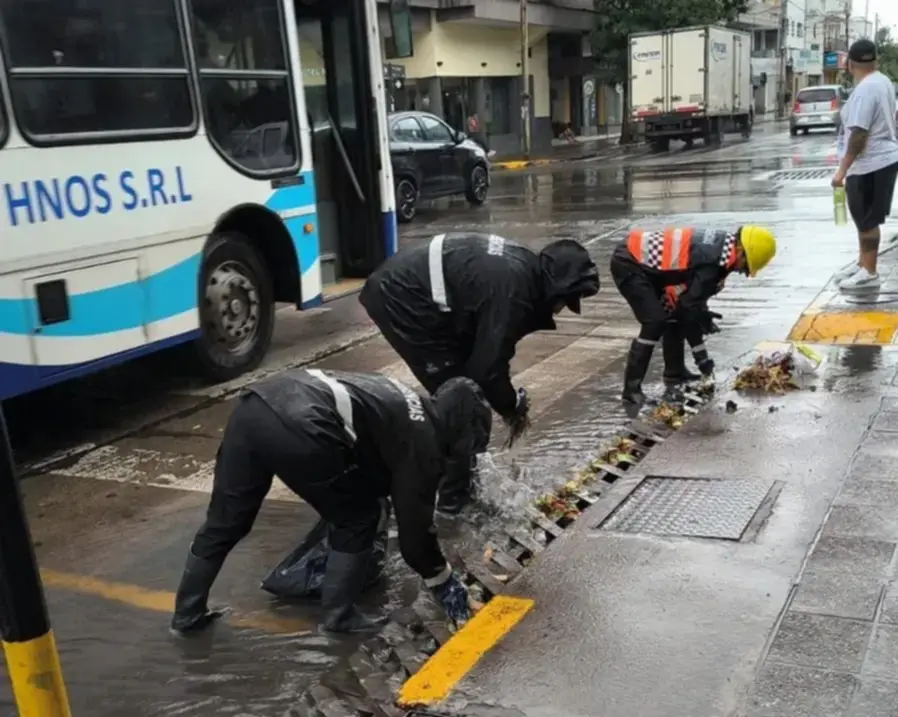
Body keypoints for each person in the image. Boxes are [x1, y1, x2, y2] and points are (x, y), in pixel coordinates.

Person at [170, 370, 492, 636]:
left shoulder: (405, 399)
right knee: (358, 517)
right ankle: (339, 617)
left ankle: (187, 614)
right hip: (304, 424)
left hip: (255, 405)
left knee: (227, 520)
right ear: (461, 431)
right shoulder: (425, 441)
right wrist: (444, 583)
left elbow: (367, 459)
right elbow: (415, 539)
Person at [360, 233, 600, 514]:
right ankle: (452, 502)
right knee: (461, 400)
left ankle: (460, 483)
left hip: (422, 296)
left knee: (467, 396)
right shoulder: (513, 293)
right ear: (555, 289)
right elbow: (487, 369)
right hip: (402, 297)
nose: (560, 310)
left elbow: (488, 355)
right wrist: (511, 408)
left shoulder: (522, 270)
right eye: (564, 302)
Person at [610, 226, 776, 406]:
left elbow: (689, 304)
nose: (741, 272)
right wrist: (702, 358)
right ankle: (631, 391)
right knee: (654, 322)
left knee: (673, 315)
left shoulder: (721, 247)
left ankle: (675, 373)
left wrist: (700, 314)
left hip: (648, 265)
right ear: (741, 252)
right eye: (745, 267)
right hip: (629, 262)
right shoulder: (713, 263)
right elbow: (689, 307)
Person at [832, 39, 898, 292]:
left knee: (867, 220)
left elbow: (859, 134)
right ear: (875, 60)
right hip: (881, 160)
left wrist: (842, 170)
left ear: (850, 64)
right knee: (865, 218)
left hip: (869, 163)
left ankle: (869, 272)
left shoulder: (865, 90)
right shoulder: (883, 82)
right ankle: (862, 264)